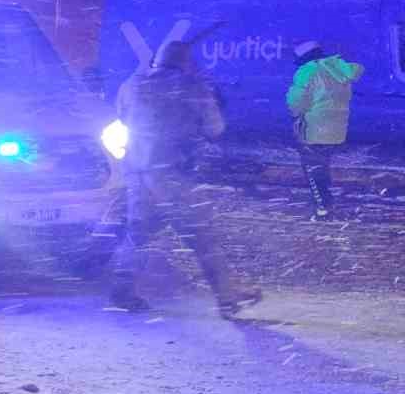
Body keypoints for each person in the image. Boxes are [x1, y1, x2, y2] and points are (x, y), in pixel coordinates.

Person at [110, 40, 258, 316]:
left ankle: (122, 288)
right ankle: (227, 295)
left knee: (137, 234)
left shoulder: (132, 84)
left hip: (137, 173)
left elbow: (122, 116)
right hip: (172, 173)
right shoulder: (191, 86)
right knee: (202, 236)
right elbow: (215, 128)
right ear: (184, 61)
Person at [286, 41, 364, 219]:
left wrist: (295, 113)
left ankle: (323, 207)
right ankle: (328, 199)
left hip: (314, 125)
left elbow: (296, 101)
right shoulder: (338, 67)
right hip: (338, 125)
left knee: (311, 165)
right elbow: (358, 69)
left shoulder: (307, 71)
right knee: (323, 162)